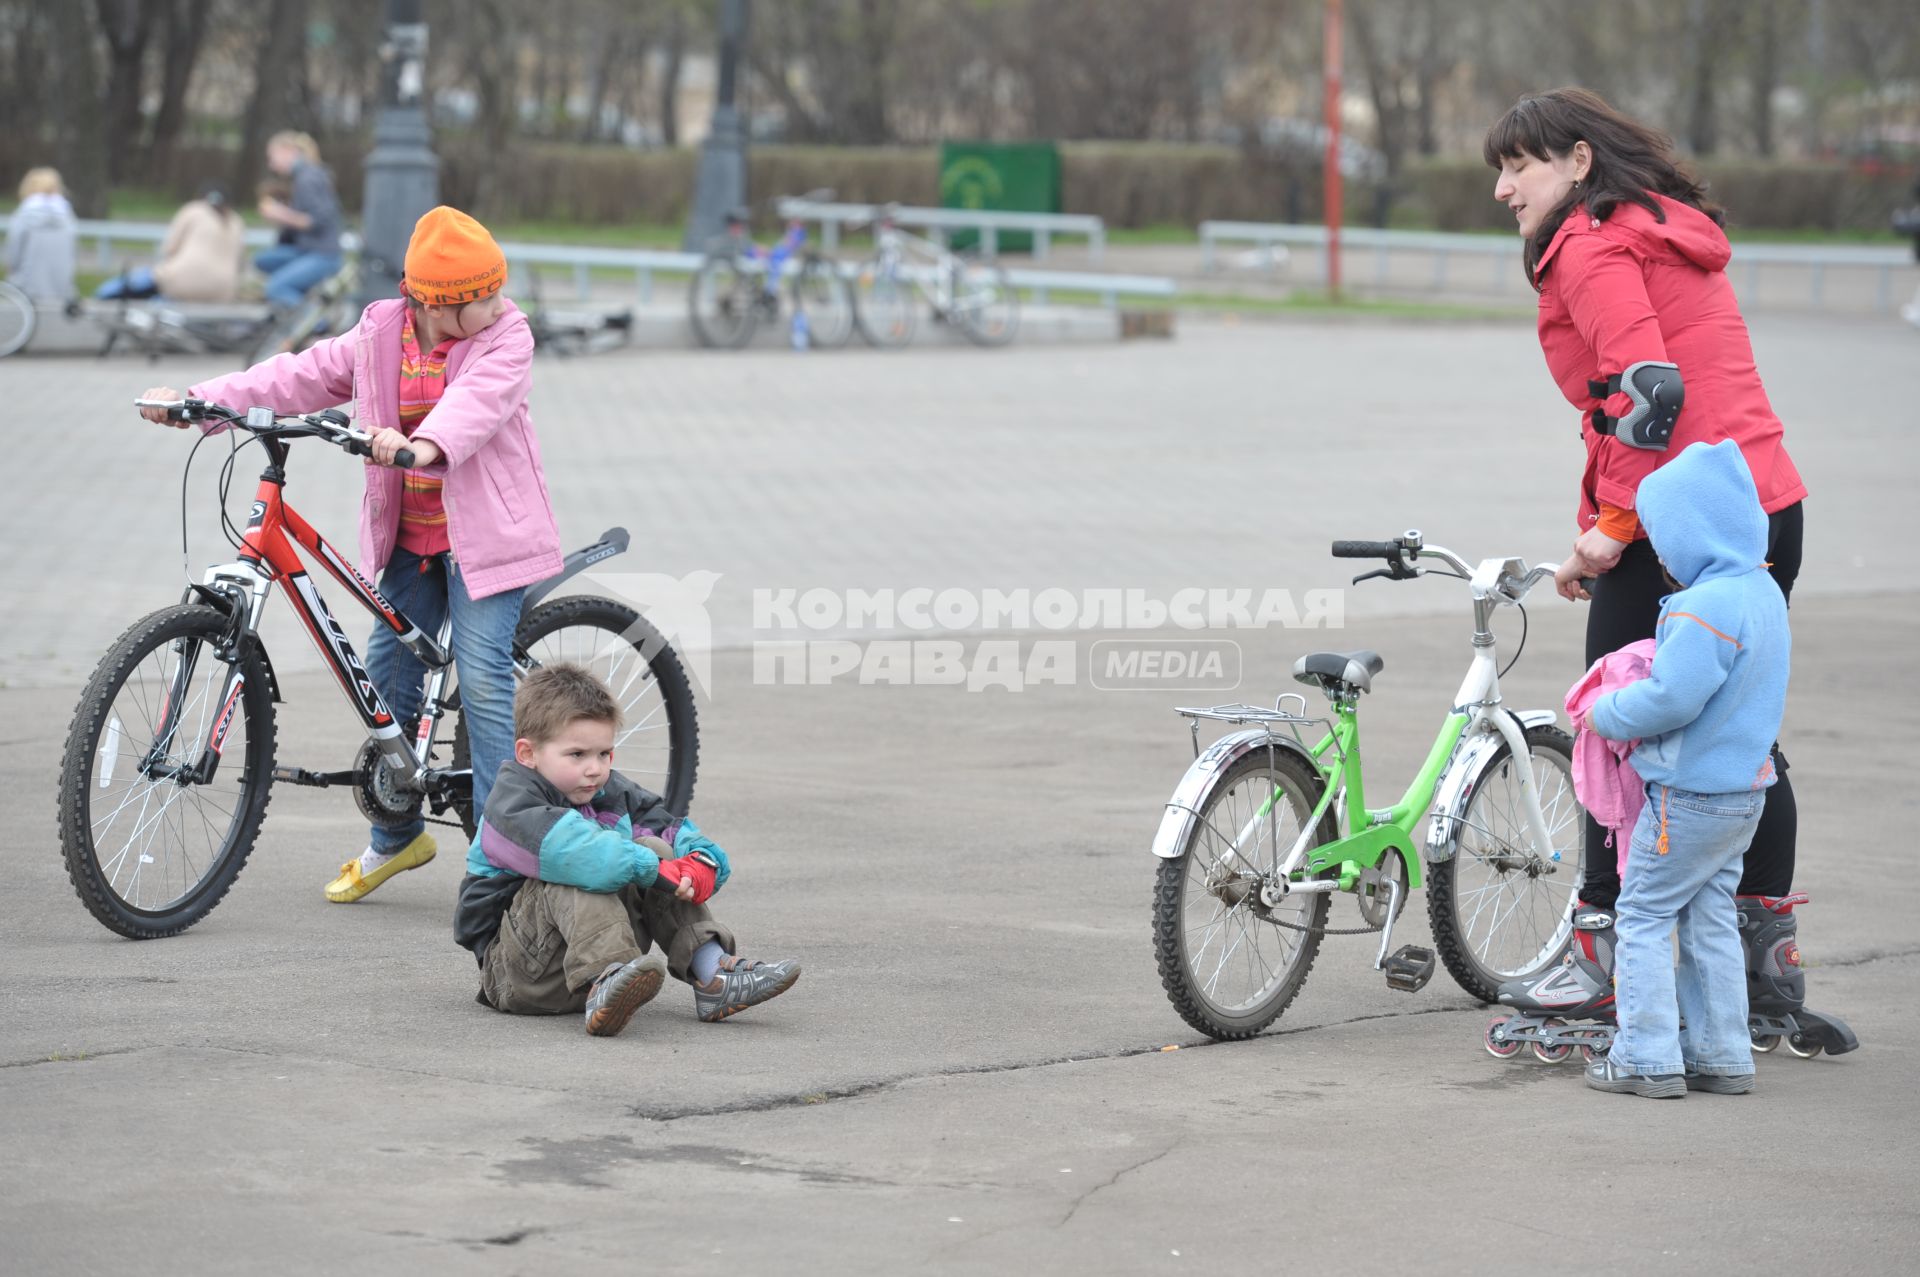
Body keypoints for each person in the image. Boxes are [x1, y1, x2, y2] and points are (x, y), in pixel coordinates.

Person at [1482, 89, 1837, 1033]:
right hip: (1764, 504)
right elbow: (1632, 405)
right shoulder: (1657, 229)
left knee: (1610, 718)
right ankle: (1765, 964)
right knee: (1739, 732)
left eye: (1520, 164)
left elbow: (1648, 395)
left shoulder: (1593, 246)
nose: (1503, 188)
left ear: (1580, 163)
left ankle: (1602, 952)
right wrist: (1599, 517)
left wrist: (1614, 526)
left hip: (1683, 522)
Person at [136, 205, 560, 904]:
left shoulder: (506, 337)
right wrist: (197, 402)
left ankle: (502, 863)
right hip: (411, 538)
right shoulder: (378, 334)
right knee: (386, 677)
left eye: (494, 292)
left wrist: (421, 445)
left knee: (484, 681)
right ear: (431, 301)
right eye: (479, 298)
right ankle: (398, 838)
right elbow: (295, 376)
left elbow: (478, 404)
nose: (496, 304)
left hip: (485, 541)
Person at [1579, 440, 1787, 1098]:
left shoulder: (1705, 607)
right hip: (1742, 794)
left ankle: (1644, 1055)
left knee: (1641, 913)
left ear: (1695, 531)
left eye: (1665, 539)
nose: (1661, 556)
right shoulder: (1762, 592)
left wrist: (1607, 711)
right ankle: (1722, 1052)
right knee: (1709, 916)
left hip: (1688, 798)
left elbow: (1672, 697)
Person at [456, 664, 801, 1036]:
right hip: (518, 975)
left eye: (604, 753)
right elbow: (574, 850)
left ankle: (712, 973)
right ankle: (607, 977)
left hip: (587, 965)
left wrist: (700, 863)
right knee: (584, 867)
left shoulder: (610, 793)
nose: (595, 768)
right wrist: (652, 867)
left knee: (651, 846)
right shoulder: (511, 804)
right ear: (528, 753)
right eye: (577, 755)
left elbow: (668, 829)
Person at [95, 184, 246, 303]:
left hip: (180, 282)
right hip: (224, 291)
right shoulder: (236, 220)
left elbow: (169, 249)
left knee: (107, 291)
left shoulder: (193, 210)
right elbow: (239, 263)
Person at [253, 131, 343, 308]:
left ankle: (318, 325)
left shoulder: (307, 178)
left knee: (276, 288)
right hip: (307, 250)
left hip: (323, 254)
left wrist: (279, 213)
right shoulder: (306, 176)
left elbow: (319, 220)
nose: (272, 165)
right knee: (263, 260)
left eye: (273, 157)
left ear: (288, 151)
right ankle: (304, 295)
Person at [4, 167, 78, 302]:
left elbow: (13, 257)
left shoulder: (23, 216)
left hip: (26, 290)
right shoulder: (67, 216)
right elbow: (72, 253)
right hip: (62, 290)